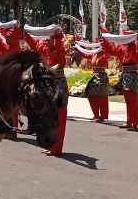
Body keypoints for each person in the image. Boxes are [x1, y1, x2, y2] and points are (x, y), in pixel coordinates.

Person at [24, 26, 67, 156]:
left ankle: (57, 148)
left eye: (49, 39)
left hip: (58, 82)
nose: (45, 41)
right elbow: (33, 44)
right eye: (46, 39)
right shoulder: (43, 49)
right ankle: (50, 145)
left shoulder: (59, 49)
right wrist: (27, 33)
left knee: (60, 115)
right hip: (47, 83)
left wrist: (58, 37)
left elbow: (60, 57)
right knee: (48, 114)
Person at [101, 31, 138, 131]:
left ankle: (135, 123)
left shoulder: (136, 47)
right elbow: (111, 50)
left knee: (132, 98)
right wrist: (105, 41)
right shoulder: (122, 47)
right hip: (124, 74)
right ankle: (129, 121)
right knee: (127, 98)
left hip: (132, 74)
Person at [76, 39, 110, 121]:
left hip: (102, 77)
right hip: (94, 77)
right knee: (91, 95)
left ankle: (102, 116)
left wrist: (105, 45)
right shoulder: (94, 54)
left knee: (102, 96)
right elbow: (85, 54)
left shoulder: (105, 54)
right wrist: (78, 47)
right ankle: (96, 114)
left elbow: (108, 56)